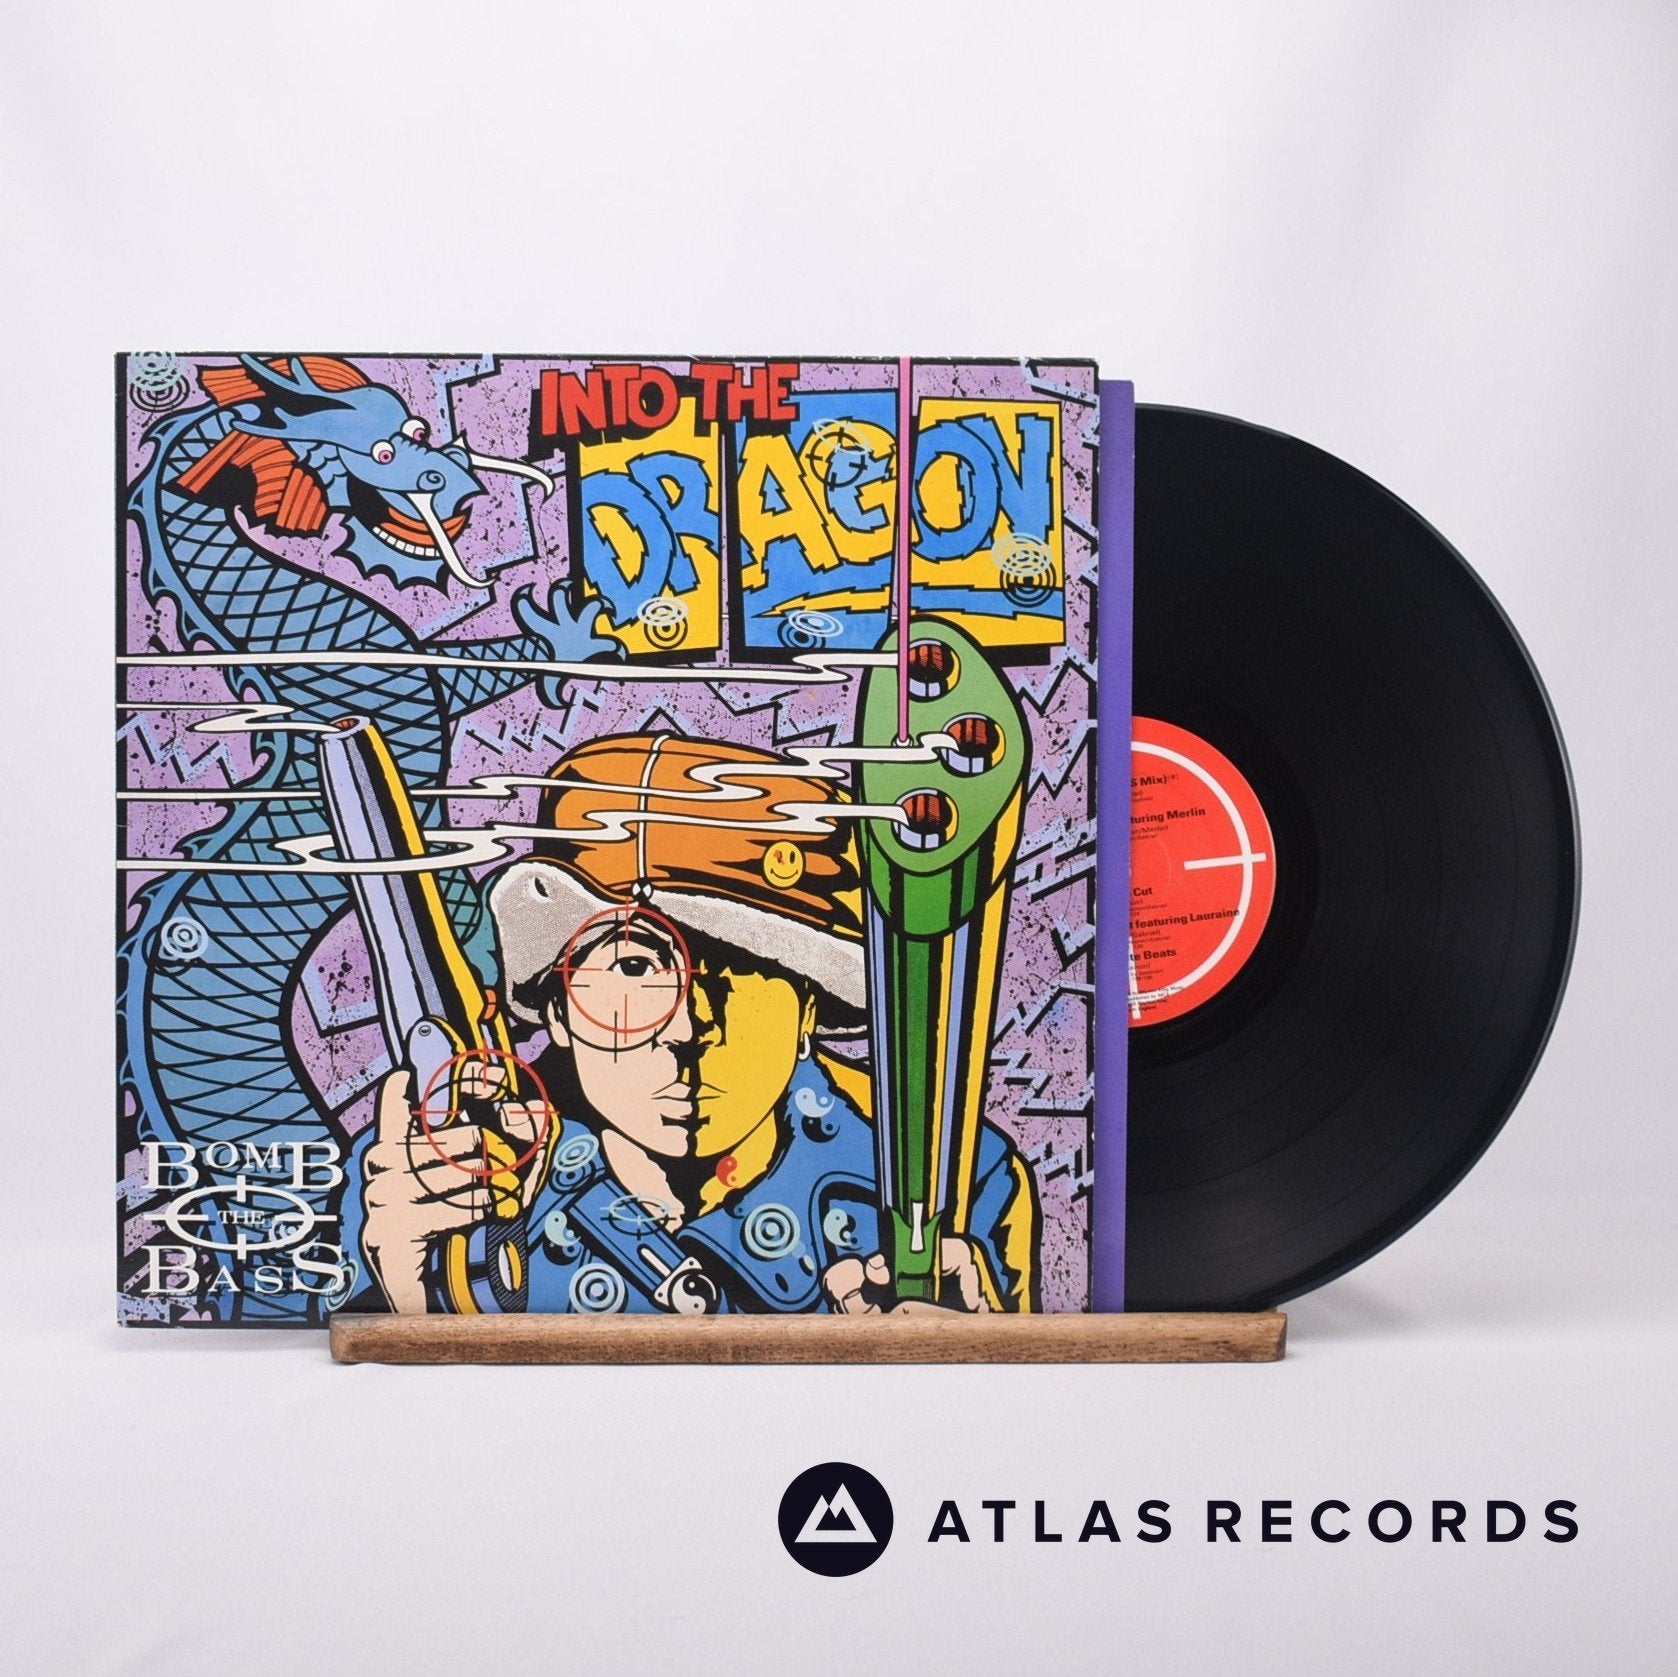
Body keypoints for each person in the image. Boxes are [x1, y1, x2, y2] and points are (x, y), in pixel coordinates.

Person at [352, 732, 1039, 1314]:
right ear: (557, 1005)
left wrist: (962, 1356)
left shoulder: (964, 1181)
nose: (686, 1027)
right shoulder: (414, 1176)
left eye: (744, 968)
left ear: (811, 1005)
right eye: (634, 967)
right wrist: (412, 1296)